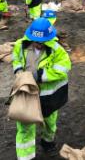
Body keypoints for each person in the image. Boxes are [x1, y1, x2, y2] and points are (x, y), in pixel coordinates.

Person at [12, 18, 71, 159]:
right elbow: (16, 59)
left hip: (49, 96)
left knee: (49, 122)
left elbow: (63, 68)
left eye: (42, 42)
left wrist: (39, 75)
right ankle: (26, 157)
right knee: (25, 126)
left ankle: (47, 142)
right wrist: (18, 70)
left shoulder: (57, 50)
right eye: (36, 41)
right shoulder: (20, 45)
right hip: (27, 93)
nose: (38, 44)